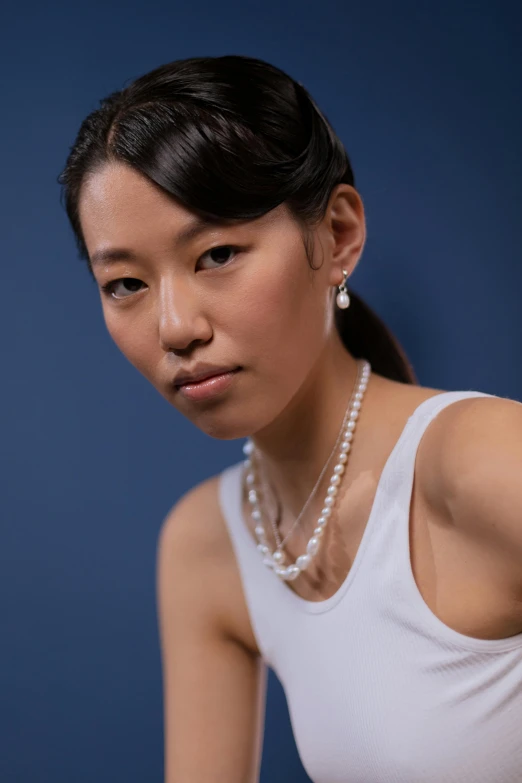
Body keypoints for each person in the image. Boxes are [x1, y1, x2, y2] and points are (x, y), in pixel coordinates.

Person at [57, 54, 522, 783]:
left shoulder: (483, 462)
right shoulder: (208, 543)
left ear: (336, 236)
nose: (175, 327)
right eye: (125, 283)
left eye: (216, 253)